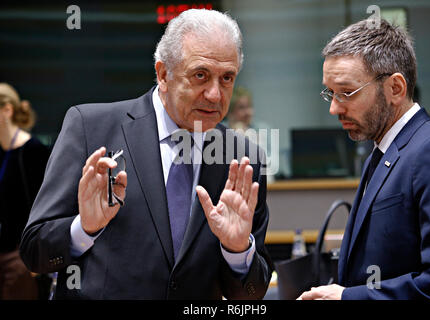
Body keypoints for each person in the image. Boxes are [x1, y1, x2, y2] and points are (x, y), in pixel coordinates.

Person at [20, 9, 273, 299]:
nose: (215, 94)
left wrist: (237, 250)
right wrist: (84, 229)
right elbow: (33, 251)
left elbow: (251, 294)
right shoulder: (91, 128)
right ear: (163, 74)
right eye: (201, 75)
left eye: (227, 78)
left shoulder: (242, 158)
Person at [300, 19, 430, 300]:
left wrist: (348, 298)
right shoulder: (383, 148)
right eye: (330, 93)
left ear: (395, 88)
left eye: (346, 93)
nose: (334, 108)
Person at [0, 83, 50, 299]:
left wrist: (34, 259)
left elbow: (46, 208)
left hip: (19, 258)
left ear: (7, 110)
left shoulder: (33, 151)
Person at [224, 87, 277, 183]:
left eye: (249, 107)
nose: (248, 112)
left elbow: (270, 165)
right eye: (241, 108)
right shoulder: (220, 131)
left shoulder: (263, 129)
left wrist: (250, 140)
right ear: (230, 111)